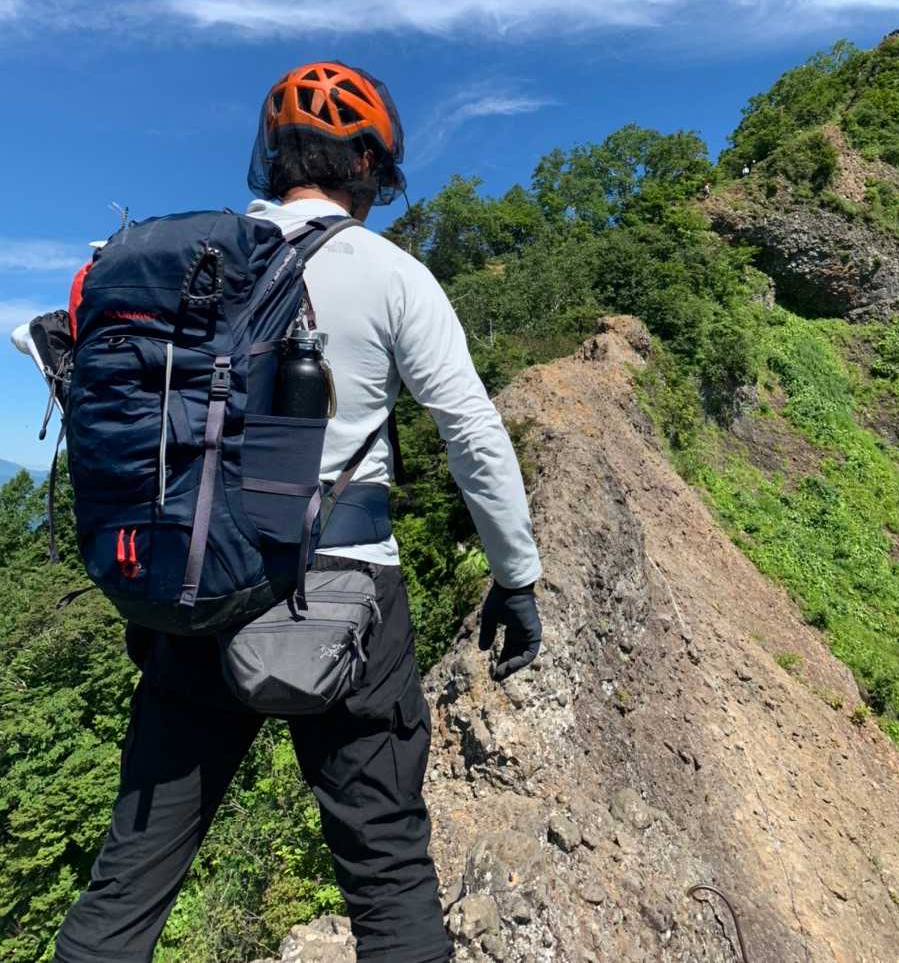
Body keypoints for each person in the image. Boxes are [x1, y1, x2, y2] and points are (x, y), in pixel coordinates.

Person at [54, 62, 543, 963]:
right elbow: (472, 434)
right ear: (370, 167)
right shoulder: (390, 274)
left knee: (127, 883)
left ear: (272, 157)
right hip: (345, 595)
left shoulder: (192, 265)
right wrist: (516, 579)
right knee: (387, 871)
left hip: (197, 582)